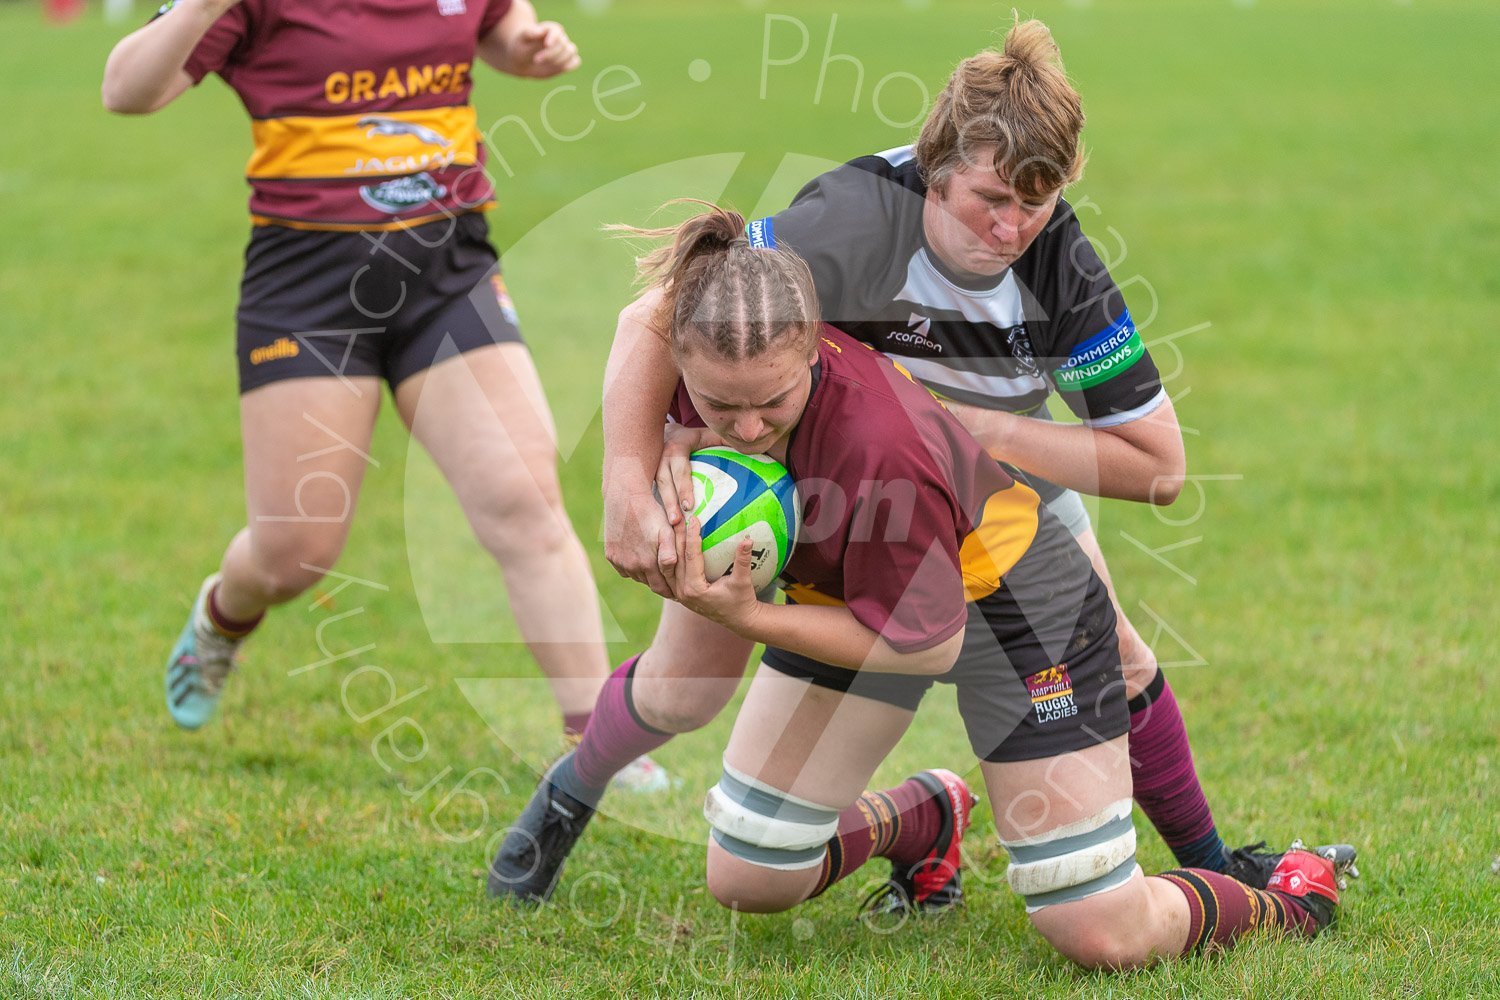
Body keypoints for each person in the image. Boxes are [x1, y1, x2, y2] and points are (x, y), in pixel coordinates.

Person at [490, 205, 1349, 970]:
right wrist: (654, 462)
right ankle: (929, 814)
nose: (746, 430)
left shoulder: (877, 448)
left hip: (1020, 610)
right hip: (868, 595)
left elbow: (924, 644)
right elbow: (649, 329)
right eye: (721, 409)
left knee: (1098, 932)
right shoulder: (726, 343)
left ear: (816, 344)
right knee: (750, 873)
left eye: (773, 405)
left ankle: (1294, 898)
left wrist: (745, 615)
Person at [599, 16, 1270, 867]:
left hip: (1001, 480)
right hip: (841, 481)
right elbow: (660, 313)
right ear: (935, 170)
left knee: (1118, 655)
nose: (1014, 228)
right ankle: (569, 795)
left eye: (1039, 201)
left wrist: (976, 427)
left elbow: (1161, 468)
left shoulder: (1062, 270)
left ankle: (1215, 866)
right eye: (992, 200)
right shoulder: (853, 222)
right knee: (682, 683)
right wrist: (634, 471)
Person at [101, 0, 663, 789]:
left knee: (523, 497)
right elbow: (126, 88)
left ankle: (593, 744)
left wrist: (527, 45)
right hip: (307, 289)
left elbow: (500, 27)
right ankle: (224, 612)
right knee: (293, 554)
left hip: (446, 270)